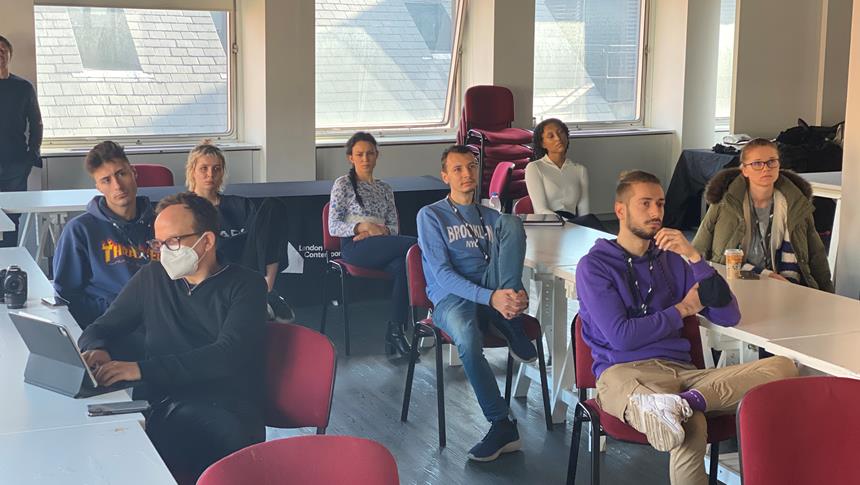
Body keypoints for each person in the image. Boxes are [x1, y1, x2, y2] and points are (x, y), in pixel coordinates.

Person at [576, 170, 799, 485]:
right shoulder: (595, 266)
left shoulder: (673, 261)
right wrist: (682, 309)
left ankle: (683, 403)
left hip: (683, 374)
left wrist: (694, 257)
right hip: (624, 374)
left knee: (784, 368)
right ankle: (670, 407)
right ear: (621, 211)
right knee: (690, 427)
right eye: (645, 204)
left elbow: (728, 314)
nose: (656, 213)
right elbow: (621, 337)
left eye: (661, 204)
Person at [78, 192, 267, 481]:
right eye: (158, 243)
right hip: (163, 400)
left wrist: (140, 369)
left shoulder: (247, 285)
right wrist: (98, 348)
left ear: (207, 241)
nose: (164, 251)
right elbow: (101, 327)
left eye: (173, 241)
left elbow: (227, 355)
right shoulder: (153, 277)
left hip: (224, 407)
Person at [417, 145, 538, 462]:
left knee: (512, 222)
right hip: (452, 297)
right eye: (457, 169)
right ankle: (501, 424)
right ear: (445, 176)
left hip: (492, 291)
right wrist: (493, 298)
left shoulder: (492, 216)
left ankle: (508, 318)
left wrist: (514, 293)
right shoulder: (431, 215)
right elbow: (442, 274)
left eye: (471, 167)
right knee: (468, 341)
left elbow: (506, 264)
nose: (466, 174)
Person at [692, 138, 833, 292]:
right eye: (757, 163)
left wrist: (829, 295)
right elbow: (699, 247)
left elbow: (816, 254)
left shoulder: (796, 204)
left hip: (786, 284)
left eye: (771, 161)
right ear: (744, 170)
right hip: (734, 282)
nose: (766, 168)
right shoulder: (724, 203)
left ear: (779, 165)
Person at [53, 141, 156, 340]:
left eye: (121, 174)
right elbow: (67, 296)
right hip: (110, 330)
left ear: (134, 173)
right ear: (98, 186)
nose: (117, 185)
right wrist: (115, 311)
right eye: (106, 180)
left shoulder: (163, 223)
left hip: (161, 326)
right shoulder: (80, 230)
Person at [327, 132, 416, 356]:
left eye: (370, 154)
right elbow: (333, 227)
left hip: (382, 243)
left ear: (377, 156)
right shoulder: (343, 184)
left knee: (405, 266)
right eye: (359, 154)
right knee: (418, 247)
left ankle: (395, 332)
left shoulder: (385, 188)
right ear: (350, 158)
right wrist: (363, 228)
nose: (365, 159)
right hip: (355, 247)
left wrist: (378, 232)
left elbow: (394, 228)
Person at [185, 140, 295, 322]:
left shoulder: (240, 205)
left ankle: (266, 292)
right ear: (193, 172)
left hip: (244, 266)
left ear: (222, 174)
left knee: (273, 206)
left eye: (216, 169)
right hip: (209, 271)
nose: (210, 174)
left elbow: (262, 243)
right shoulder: (183, 208)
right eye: (203, 168)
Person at [0, 35, 42, 246]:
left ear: (9, 55)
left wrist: (31, 156)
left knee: (12, 217)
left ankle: (9, 269)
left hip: (15, 165)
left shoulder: (23, 87)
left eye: (3, 50)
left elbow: (36, 124)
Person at [525, 118, 603, 230]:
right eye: (551, 136)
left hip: (573, 225)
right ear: (542, 143)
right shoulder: (535, 168)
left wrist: (582, 229)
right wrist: (570, 224)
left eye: (560, 132)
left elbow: (584, 212)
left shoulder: (580, 170)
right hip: (548, 225)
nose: (558, 138)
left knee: (594, 226)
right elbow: (540, 209)